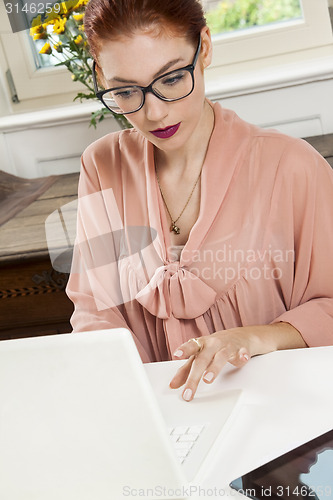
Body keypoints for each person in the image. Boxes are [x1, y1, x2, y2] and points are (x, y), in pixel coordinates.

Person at [66, 0, 333, 402]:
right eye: (124, 91)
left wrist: (256, 337)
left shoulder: (291, 166)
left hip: (283, 421)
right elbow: (95, 310)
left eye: (171, 79)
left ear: (204, 47)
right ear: (101, 77)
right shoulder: (102, 166)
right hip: (162, 426)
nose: (154, 113)